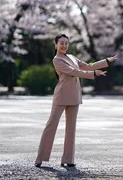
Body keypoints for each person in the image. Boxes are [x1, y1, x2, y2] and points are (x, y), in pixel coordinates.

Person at [34, 33, 117, 168]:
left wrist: (106, 61)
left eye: (66, 43)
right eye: (61, 43)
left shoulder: (72, 57)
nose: (64, 45)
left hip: (74, 96)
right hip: (61, 96)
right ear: (55, 44)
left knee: (71, 128)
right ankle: (40, 158)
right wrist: (94, 74)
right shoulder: (57, 60)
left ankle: (68, 159)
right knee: (51, 126)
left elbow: (88, 66)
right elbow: (74, 72)